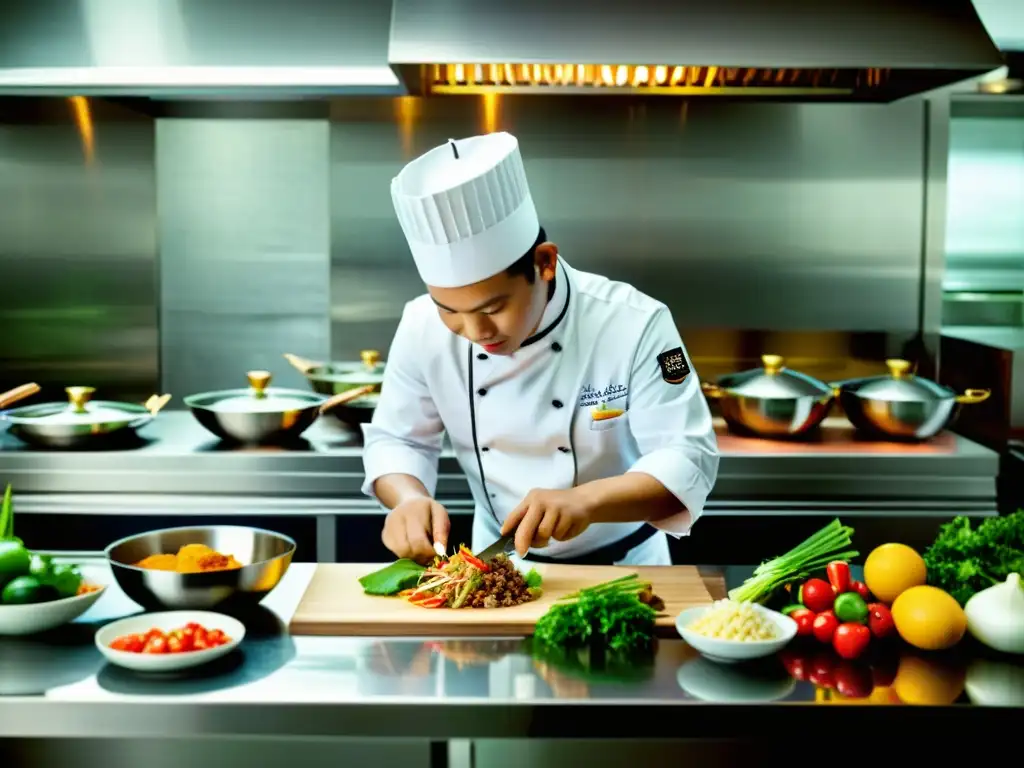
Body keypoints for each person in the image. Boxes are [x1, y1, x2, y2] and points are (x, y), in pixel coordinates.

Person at [361, 132, 719, 566]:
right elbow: (398, 439)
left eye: (494, 307)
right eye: (449, 310)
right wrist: (407, 497)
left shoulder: (637, 322)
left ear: (545, 263)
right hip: (496, 566)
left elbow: (687, 455)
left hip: (626, 569)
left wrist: (587, 500)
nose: (474, 330)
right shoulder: (420, 326)